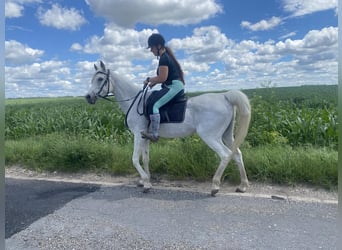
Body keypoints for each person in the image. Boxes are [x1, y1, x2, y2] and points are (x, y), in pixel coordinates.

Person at [141, 33, 185, 142]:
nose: (151, 50)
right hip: (173, 85)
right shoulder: (165, 56)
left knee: (154, 105)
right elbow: (164, 77)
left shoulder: (164, 58)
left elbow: (162, 78)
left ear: (158, 46)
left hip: (174, 87)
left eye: (152, 47)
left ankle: (155, 134)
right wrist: (153, 84)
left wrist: (148, 79)